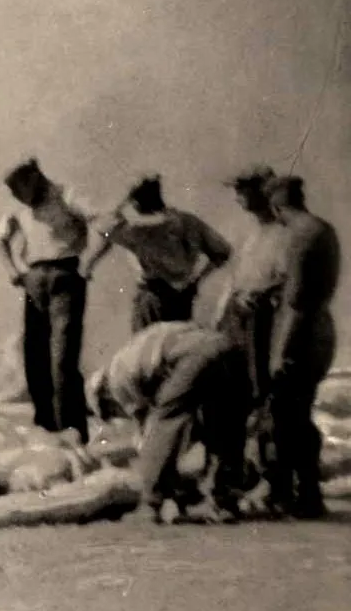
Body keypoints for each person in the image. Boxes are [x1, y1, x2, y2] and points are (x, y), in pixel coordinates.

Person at [89, 321, 248, 524]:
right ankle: (224, 502)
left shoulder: (116, 378)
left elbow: (150, 429)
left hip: (195, 354)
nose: (117, 414)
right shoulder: (134, 358)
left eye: (110, 411)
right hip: (228, 346)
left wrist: (148, 459)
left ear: (104, 396)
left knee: (164, 422)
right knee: (224, 425)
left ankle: (149, 504)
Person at [0, 158, 92, 441]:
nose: (17, 196)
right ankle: (46, 428)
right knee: (34, 357)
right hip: (34, 280)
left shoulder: (67, 195)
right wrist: (13, 271)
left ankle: (71, 430)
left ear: (35, 176)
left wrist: (90, 262)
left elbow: (102, 223)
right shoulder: (19, 207)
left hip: (66, 275)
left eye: (19, 188)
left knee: (62, 358)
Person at [266, 174, 340, 519]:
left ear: (277, 206)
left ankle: (294, 496)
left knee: (286, 416)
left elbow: (294, 302)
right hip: (322, 329)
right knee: (301, 413)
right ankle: (308, 493)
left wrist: (279, 352)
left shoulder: (299, 236)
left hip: (300, 335)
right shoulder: (323, 229)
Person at [214, 166, 287, 496]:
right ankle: (240, 476)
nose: (237, 196)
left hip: (265, 320)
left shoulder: (283, 233)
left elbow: (289, 279)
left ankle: (274, 479)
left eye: (244, 189)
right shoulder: (248, 232)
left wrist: (261, 295)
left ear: (264, 189)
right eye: (236, 189)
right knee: (233, 396)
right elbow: (233, 277)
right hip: (237, 319)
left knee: (265, 395)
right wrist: (221, 315)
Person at [82, 175, 231, 330]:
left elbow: (102, 226)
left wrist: (123, 201)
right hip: (184, 295)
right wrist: (197, 279)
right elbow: (223, 252)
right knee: (176, 345)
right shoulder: (188, 221)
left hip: (153, 299)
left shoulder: (138, 230)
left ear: (135, 202)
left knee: (146, 349)